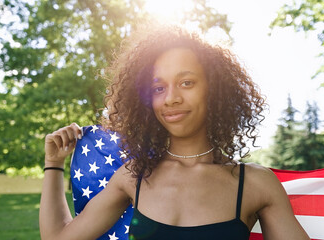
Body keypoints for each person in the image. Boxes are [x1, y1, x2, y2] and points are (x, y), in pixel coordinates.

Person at [40, 24, 310, 240]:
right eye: (158, 88)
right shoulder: (133, 177)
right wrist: (53, 164)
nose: (171, 98)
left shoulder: (255, 183)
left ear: (214, 90)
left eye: (186, 82)